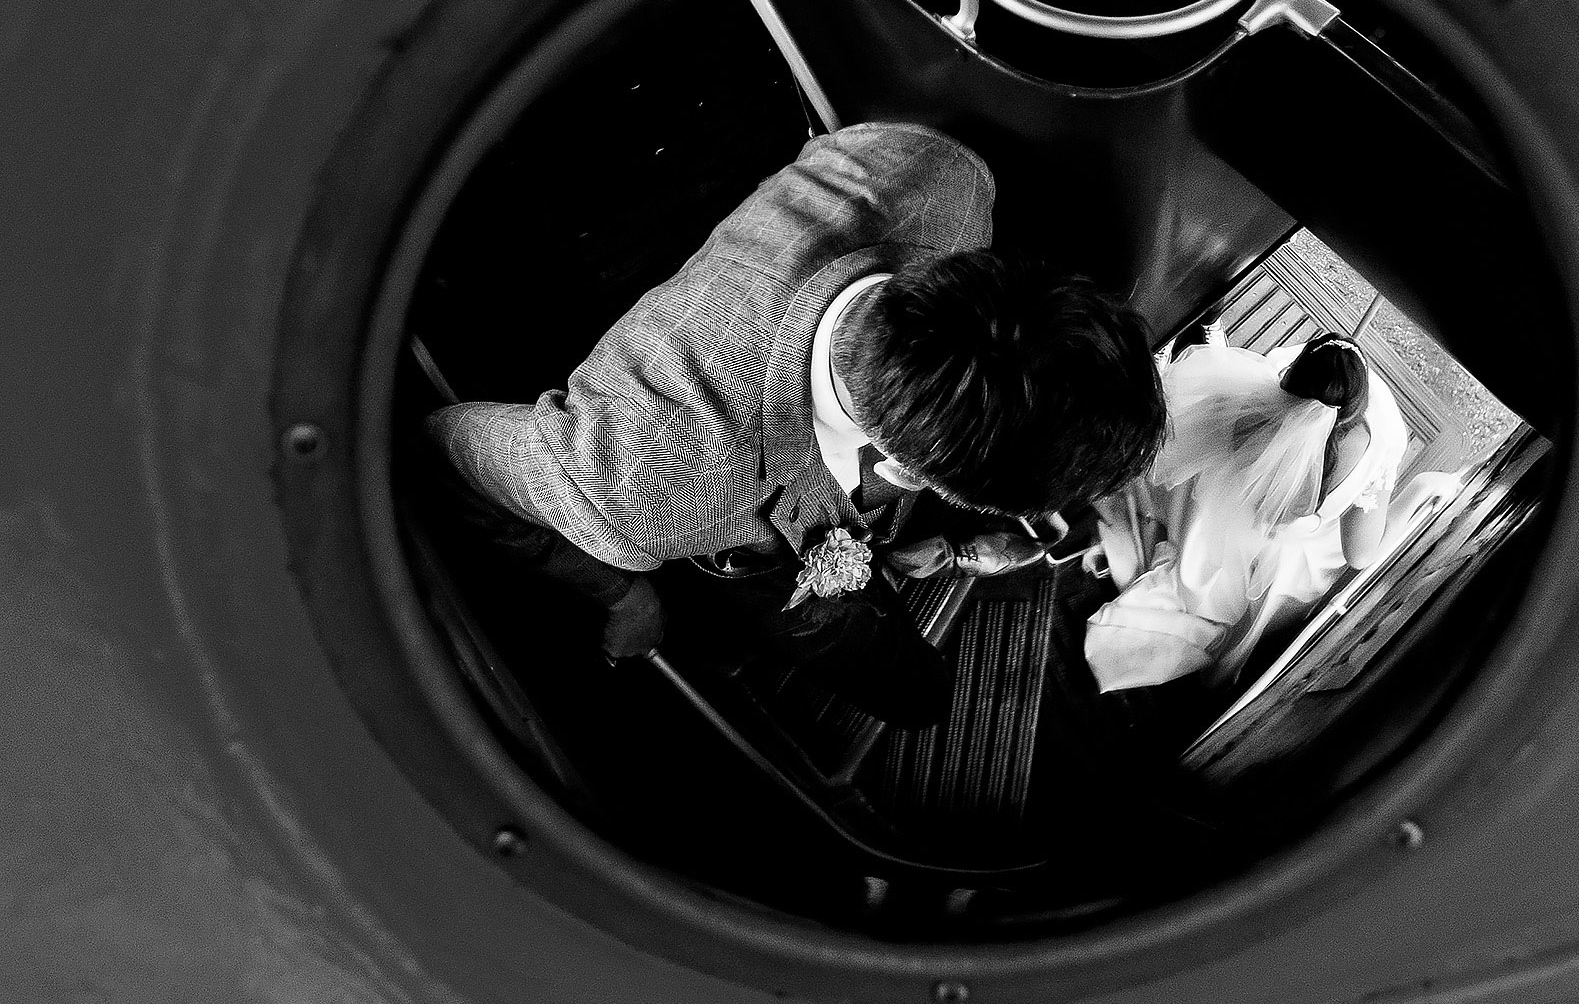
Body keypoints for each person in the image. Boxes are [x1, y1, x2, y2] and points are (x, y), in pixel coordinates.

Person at [424, 121, 1166, 726]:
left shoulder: (942, 179)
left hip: (795, 398)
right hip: (746, 545)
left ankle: (929, 551)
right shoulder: (645, 479)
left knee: (911, 669)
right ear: (904, 472)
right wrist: (618, 590)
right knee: (921, 701)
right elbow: (445, 451)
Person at [1085, 330, 1429, 693]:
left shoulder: (1266, 386)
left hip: (1216, 521)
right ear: (1357, 412)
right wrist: (1418, 490)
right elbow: (1359, 555)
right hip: (1277, 563)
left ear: (1292, 377)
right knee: (1343, 542)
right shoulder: (1381, 443)